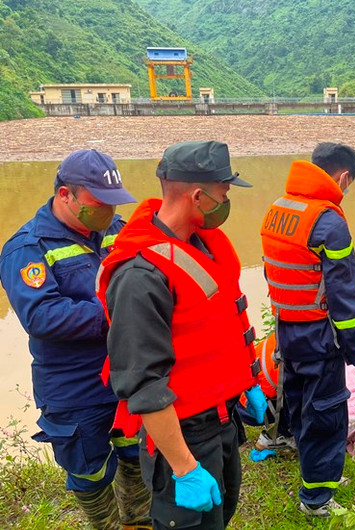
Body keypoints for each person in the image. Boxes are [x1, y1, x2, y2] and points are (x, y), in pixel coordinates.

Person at [97, 141, 261, 530]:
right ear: (198, 196)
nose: (226, 202)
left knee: (219, 517)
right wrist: (185, 468)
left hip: (221, 419)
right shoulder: (140, 276)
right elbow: (143, 383)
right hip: (182, 434)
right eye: (224, 193)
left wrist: (246, 383)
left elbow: (217, 325)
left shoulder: (200, 244)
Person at [0, 149, 151, 529]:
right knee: (89, 470)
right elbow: (42, 316)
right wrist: (120, 311)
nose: (108, 211)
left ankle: (137, 518)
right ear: (65, 195)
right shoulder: (28, 248)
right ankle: (106, 525)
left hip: (126, 373)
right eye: (99, 203)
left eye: (113, 203)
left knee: (135, 451)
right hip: (75, 384)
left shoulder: (117, 229)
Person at [260, 142, 355, 517]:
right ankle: (316, 497)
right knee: (327, 413)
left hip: (287, 328)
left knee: (297, 401)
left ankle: (309, 465)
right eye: (349, 185)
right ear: (343, 176)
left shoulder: (277, 210)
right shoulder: (328, 222)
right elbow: (346, 302)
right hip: (318, 335)